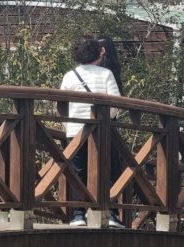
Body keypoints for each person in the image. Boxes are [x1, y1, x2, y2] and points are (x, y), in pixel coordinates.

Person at [60, 35, 124, 229]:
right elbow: (115, 105)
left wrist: (68, 125)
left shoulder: (70, 75)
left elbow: (61, 104)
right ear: (98, 54)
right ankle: (110, 214)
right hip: (101, 131)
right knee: (107, 170)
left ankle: (78, 214)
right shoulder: (105, 74)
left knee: (78, 172)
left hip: (75, 130)